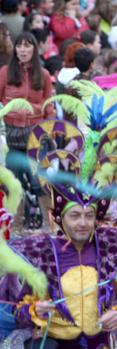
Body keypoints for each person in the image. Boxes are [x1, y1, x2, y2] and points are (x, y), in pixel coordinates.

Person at [0, 117, 117, 348]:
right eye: (75, 215)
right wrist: (33, 310)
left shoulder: (111, 249)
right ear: (59, 219)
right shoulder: (42, 252)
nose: (83, 222)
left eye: (88, 215)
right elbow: (13, 307)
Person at [0, 32, 53, 230]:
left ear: (34, 49)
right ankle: (15, 229)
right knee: (14, 184)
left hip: (36, 136)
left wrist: (50, 129)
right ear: (15, 49)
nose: (22, 49)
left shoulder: (44, 75)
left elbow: (49, 106)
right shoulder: (5, 72)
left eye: (27, 45)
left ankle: (50, 227)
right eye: (19, 45)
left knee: (40, 182)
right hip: (12, 136)